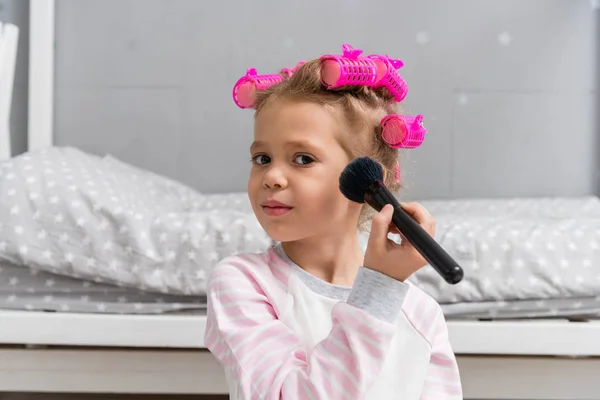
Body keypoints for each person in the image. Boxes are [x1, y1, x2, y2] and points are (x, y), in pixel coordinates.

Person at [204, 45, 462, 399]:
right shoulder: (245, 284)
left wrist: (383, 289)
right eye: (262, 158)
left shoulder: (420, 313)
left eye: (303, 158)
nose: (272, 177)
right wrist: (378, 289)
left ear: (369, 180)